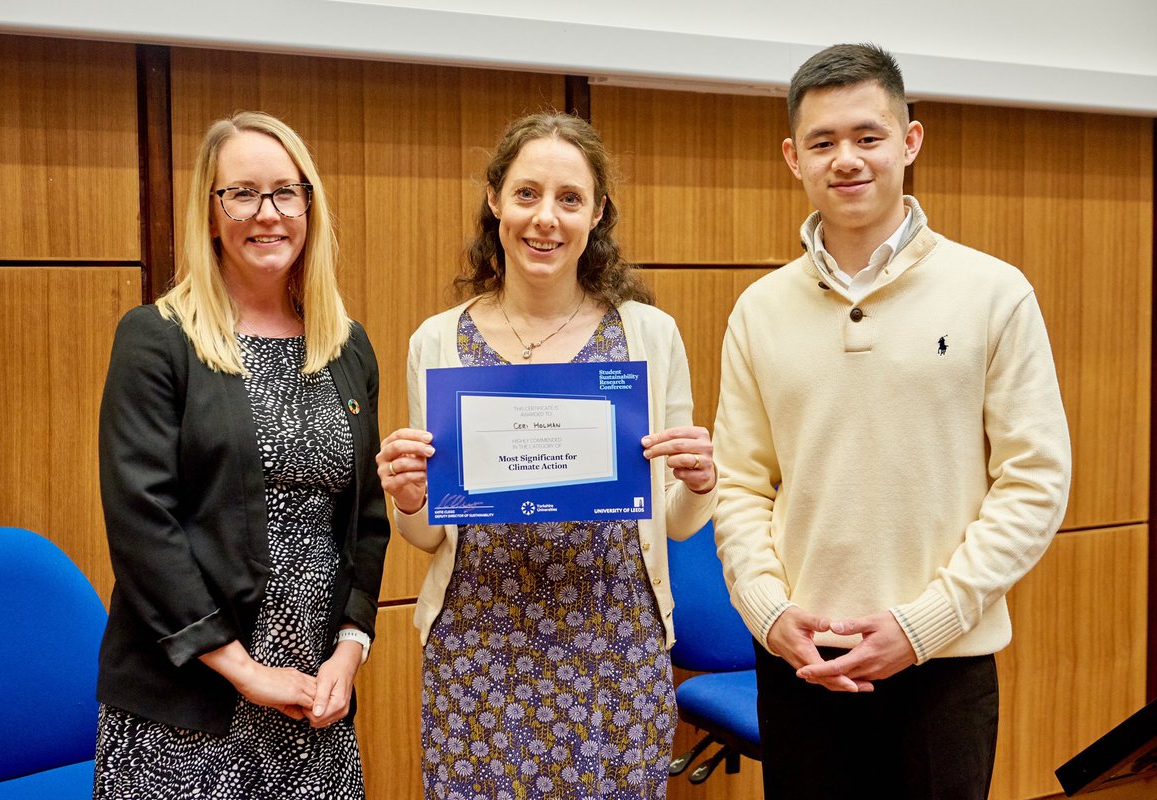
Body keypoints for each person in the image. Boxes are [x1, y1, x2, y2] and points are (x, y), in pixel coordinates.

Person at [712, 44, 1072, 800]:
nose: (846, 159)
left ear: (909, 141)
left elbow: (1034, 481)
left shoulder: (994, 293)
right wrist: (768, 612)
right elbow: (740, 484)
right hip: (800, 666)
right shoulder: (759, 310)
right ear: (793, 157)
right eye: (822, 142)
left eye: (867, 136)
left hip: (943, 665)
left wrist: (923, 625)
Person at [377, 111, 717, 798]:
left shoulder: (650, 335)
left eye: (570, 198)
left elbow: (677, 523)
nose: (546, 219)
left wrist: (701, 482)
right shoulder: (437, 342)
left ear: (597, 214)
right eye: (527, 193)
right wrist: (409, 498)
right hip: (477, 646)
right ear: (495, 200)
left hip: (616, 643)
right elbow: (429, 533)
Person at [94, 111, 389, 799]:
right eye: (243, 194)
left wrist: (351, 648)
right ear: (211, 210)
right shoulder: (157, 339)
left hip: (313, 698)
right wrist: (246, 672)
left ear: (309, 206)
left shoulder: (345, 346)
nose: (268, 213)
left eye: (286, 192)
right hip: (188, 705)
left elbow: (367, 517)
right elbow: (142, 524)